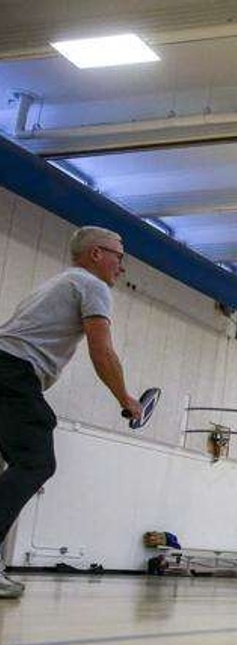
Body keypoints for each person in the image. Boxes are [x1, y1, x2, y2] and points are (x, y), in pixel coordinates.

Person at [0, 226, 144, 599]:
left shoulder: (59, 282)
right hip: (12, 373)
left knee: (20, 465)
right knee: (35, 463)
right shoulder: (91, 285)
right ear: (96, 254)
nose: (122, 266)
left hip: (6, 369)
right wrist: (125, 398)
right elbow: (102, 352)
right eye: (119, 256)